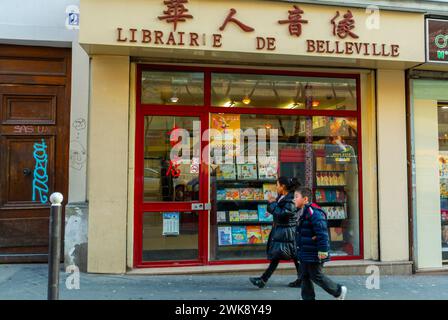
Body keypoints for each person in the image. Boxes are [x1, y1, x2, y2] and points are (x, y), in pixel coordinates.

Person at [294, 186, 347, 300]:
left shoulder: (314, 213)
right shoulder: (301, 212)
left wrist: (323, 251)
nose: (294, 199)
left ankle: (338, 291)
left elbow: (322, 233)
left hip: (314, 252)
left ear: (305, 199)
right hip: (305, 251)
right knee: (304, 275)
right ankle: (308, 298)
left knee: (316, 276)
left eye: (296, 197)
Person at [249, 176, 302, 289]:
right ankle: (263, 280)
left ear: (283, 186)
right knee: (285, 255)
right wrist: (273, 203)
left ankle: (263, 280)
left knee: (291, 256)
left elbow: (283, 214)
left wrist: (273, 204)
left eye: (277, 185)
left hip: (288, 231)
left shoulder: (291, 199)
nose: (276, 187)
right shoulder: (283, 196)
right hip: (282, 230)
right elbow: (276, 210)